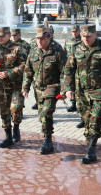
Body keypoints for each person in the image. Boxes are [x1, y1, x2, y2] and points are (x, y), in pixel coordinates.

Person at [64, 24, 101, 164]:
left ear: (95, 34)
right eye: (83, 36)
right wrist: (68, 88)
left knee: (96, 120)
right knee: (87, 121)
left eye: (88, 36)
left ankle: (91, 149)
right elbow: (69, 69)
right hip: (82, 93)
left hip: (100, 92)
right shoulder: (77, 48)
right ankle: (90, 146)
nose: (86, 39)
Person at [22, 25, 67, 154]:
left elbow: (64, 72)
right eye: (38, 39)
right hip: (38, 89)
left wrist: (64, 90)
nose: (40, 42)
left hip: (52, 87)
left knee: (47, 112)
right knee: (42, 116)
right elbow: (28, 71)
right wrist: (25, 87)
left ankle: (47, 140)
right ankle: (47, 137)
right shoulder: (33, 52)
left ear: (49, 37)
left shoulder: (58, 51)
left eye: (42, 39)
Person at [0, 27, 28, 147]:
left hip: (17, 86)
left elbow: (24, 66)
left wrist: (9, 73)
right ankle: (8, 136)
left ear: (8, 35)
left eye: (2, 36)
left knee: (15, 108)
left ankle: (16, 127)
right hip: (3, 87)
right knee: (4, 110)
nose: (0, 38)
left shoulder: (18, 48)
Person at [63, 25, 82, 123]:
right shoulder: (68, 40)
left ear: (79, 31)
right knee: (71, 85)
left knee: (78, 86)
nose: (74, 33)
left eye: (76, 31)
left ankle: (79, 105)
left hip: (79, 65)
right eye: (73, 31)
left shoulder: (82, 40)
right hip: (70, 66)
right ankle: (73, 104)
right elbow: (64, 52)